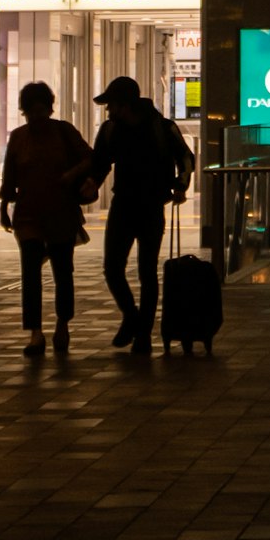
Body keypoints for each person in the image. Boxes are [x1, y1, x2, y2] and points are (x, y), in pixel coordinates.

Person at [79, 73, 192, 355]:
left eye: (112, 104)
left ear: (125, 105)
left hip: (152, 205)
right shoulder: (110, 130)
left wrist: (180, 185)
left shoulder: (162, 128)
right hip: (123, 204)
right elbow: (101, 162)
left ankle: (142, 334)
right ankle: (132, 316)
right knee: (112, 268)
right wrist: (93, 181)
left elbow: (186, 159)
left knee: (147, 271)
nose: (108, 110)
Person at [0, 80, 96, 355]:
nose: (37, 117)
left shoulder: (64, 132)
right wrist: (5, 207)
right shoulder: (18, 137)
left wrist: (72, 176)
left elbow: (90, 158)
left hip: (61, 211)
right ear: (25, 111)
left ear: (50, 109)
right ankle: (35, 333)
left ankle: (62, 325)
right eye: (32, 112)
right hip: (28, 213)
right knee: (30, 271)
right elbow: (10, 176)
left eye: (42, 111)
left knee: (63, 271)